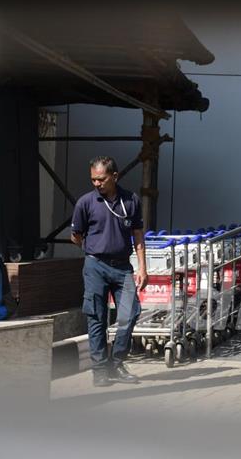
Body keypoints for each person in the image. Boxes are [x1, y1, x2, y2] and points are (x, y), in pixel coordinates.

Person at [71, 156, 147, 387]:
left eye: (101, 179)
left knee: (130, 313)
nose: (97, 183)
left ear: (115, 176)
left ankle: (117, 364)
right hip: (96, 265)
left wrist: (143, 267)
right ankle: (100, 370)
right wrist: (94, 248)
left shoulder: (131, 200)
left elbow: (138, 235)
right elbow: (76, 236)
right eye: (93, 179)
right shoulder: (86, 202)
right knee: (96, 317)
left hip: (123, 266)